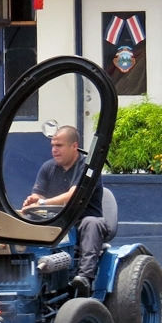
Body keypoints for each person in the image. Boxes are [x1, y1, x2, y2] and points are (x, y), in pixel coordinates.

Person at [21, 125, 108, 297]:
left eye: (59, 146)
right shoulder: (47, 168)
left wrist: (42, 203)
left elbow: (73, 196)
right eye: (53, 145)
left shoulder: (88, 168)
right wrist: (32, 201)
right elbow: (37, 195)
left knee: (92, 223)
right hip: (56, 223)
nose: (54, 150)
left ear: (74, 146)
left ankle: (84, 277)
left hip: (82, 223)